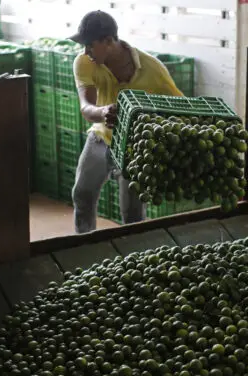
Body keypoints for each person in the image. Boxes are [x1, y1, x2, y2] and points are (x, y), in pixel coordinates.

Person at [69, 10, 183, 234]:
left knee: (132, 213)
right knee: (82, 194)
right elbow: (86, 106)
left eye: (90, 45)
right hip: (101, 137)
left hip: (135, 146)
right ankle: (82, 243)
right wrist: (102, 112)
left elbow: (177, 106)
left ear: (109, 41)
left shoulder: (153, 69)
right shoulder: (84, 62)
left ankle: (134, 255)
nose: (86, 51)